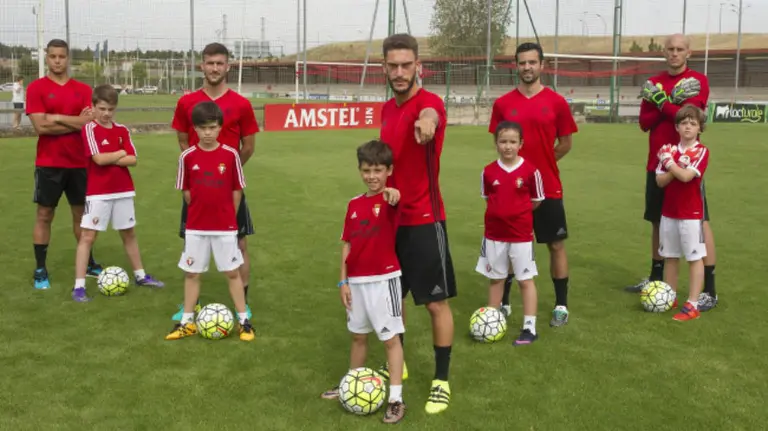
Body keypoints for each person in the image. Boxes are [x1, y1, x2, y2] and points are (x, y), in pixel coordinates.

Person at [378, 33, 455, 415]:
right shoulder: (386, 110)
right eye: (393, 65)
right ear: (385, 68)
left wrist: (427, 123)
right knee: (394, 302)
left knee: (435, 303)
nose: (400, 72)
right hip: (392, 222)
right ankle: (399, 365)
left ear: (418, 66)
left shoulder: (429, 104)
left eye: (406, 65)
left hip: (426, 220)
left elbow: (432, 116)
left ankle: (441, 380)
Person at [488, 42, 578, 327]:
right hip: (512, 191)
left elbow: (565, 143)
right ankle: (503, 303)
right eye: (522, 62)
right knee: (509, 246)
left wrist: (538, 170)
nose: (527, 67)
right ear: (516, 65)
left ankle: (561, 305)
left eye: (532, 62)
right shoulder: (503, 104)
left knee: (555, 245)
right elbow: (500, 145)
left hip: (548, 186)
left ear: (542, 65)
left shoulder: (557, 102)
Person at [171, 42, 259, 321]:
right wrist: (202, 174)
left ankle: (241, 305)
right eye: (210, 63)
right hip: (198, 189)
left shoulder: (241, 104)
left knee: (240, 244)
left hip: (229, 188)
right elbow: (183, 141)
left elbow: (248, 146)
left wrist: (225, 175)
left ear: (227, 66)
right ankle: (191, 305)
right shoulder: (186, 102)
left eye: (220, 63)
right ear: (202, 66)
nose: (214, 68)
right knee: (192, 243)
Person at [629, 34, 718, 312]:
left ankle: (709, 290)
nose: (674, 53)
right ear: (664, 52)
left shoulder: (697, 81)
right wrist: (667, 104)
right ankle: (658, 281)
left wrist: (662, 103)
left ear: (688, 52)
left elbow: (690, 115)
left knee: (700, 221)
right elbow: (644, 122)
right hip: (658, 161)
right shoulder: (654, 82)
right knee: (658, 221)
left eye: (680, 49)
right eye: (670, 49)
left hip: (687, 161)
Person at [320, 140, 407, 424]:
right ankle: (351, 384)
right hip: (355, 283)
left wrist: (392, 191)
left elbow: (396, 197)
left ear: (388, 170)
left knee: (390, 339)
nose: (372, 176)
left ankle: (395, 398)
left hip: (384, 280)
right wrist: (342, 283)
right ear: (360, 170)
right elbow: (347, 245)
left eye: (378, 170)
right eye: (367, 170)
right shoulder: (354, 205)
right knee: (358, 336)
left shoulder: (390, 199)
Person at [166, 101, 254, 342]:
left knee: (232, 272)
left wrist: (229, 217)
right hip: (196, 227)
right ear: (195, 129)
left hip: (225, 227)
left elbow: (237, 190)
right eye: (202, 128)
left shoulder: (231, 155)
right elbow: (186, 192)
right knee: (192, 274)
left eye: (212, 127)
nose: (207, 133)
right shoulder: (187, 157)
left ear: (219, 128)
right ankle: (186, 322)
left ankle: (244, 321)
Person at [73, 85, 164, 302]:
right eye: (102, 108)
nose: (106, 113)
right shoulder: (89, 129)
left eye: (110, 109)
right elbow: (98, 160)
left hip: (123, 190)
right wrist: (120, 152)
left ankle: (140, 276)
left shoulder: (122, 130)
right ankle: (78, 287)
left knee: (129, 234)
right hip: (98, 193)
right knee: (88, 237)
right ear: (93, 107)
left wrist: (113, 156)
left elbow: (133, 160)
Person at [25, 39, 103, 291]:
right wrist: (73, 121)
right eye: (53, 56)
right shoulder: (36, 88)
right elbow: (40, 127)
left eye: (62, 56)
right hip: (49, 163)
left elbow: (87, 124)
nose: (57, 61)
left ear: (68, 58)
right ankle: (40, 269)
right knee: (45, 214)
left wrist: (56, 117)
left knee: (82, 216)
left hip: (80, 163)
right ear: (46, 58)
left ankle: (88, 262)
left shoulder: (82, 90)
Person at [476, 121, 544, 345]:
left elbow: (536, 200)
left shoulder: (531, 171)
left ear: (521, 144)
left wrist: (516, 214)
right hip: (494, 235)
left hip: (521, 235)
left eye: (512, 142)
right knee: (496, 279)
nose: (507, 146)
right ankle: (492, 321)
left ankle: (529, 327)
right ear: (496, 143)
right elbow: (488, 198)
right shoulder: (488, 171)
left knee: (525, 279)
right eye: (503, 141)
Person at [654, 105, 709, 321]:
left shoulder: (701, 151)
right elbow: (660, 181)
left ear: (699, 129)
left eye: (693, 123)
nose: (688, 126)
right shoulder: (670, 148)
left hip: (691, 213)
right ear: (677, 127)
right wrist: (673, 165)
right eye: (684, 123)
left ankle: (693, 304)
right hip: (669, 212)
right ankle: (670, 295)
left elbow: (687, 177)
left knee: (694, 258)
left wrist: (669, 163)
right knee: (671, 256)